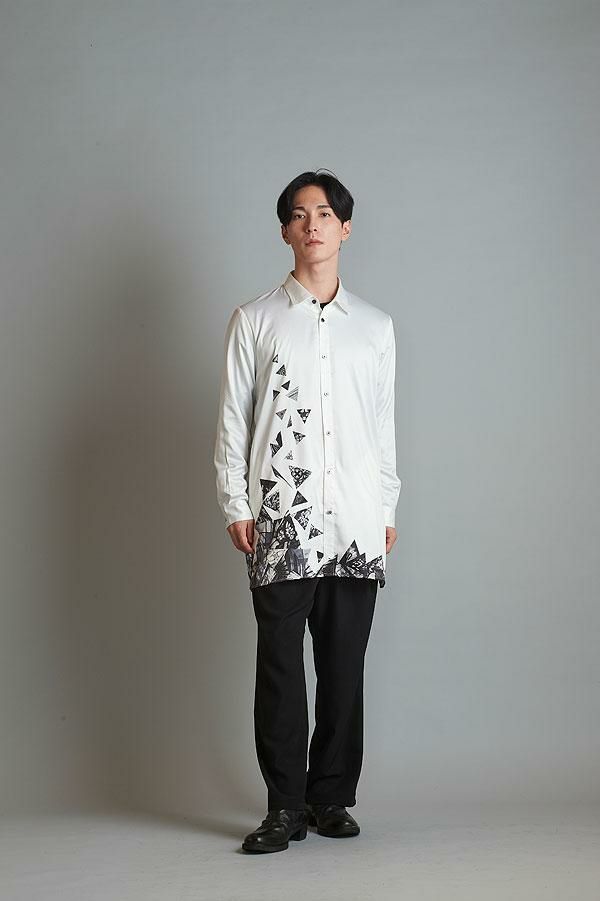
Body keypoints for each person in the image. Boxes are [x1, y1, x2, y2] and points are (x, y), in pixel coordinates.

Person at [214, 169, 402, 853]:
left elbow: (382, 427)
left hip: (355, 519)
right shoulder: (255, 320)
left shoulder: (375, 328)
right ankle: (284, 805)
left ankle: (330, 797)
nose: (312, 224)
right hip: (281, 517)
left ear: (345, 228)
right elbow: (234, 419)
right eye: (299, 215)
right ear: (285, 231)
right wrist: (235, 500)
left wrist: (386, 504)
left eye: (324, 214)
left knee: (344, 664)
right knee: (280, 666)